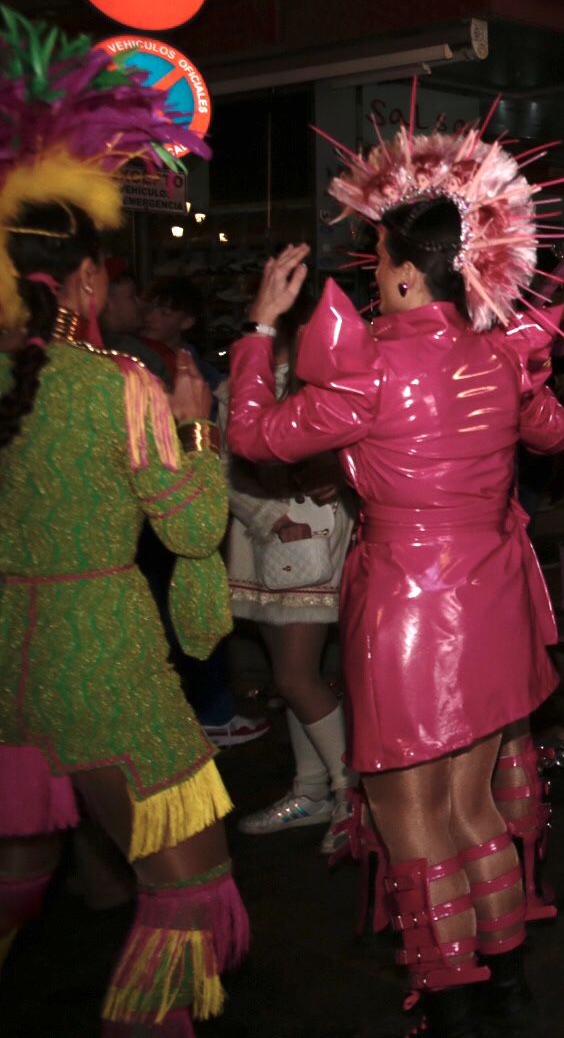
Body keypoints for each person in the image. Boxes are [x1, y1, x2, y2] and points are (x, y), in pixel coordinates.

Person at [228, 120, 564, 1032]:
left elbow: (253, 439)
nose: (373, 277)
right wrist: (522, 378)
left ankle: (451, 1007)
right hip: (490, 597)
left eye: (379, 263)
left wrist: (262, 328)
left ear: (411, 273)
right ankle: (510, 987)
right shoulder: (500, 359)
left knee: (411, 819)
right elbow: (554, 437)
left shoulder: (372, 366)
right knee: (471, 810)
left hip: (408, 608)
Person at [0, 9, 247, 1032]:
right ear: (90, 279)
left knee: (19, 863)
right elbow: (191, 529)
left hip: (9, 650)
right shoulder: (119, 385)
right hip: (100, 656)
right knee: (191, 894)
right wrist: (196, 431)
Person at [220, 278, 356, 854]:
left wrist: (338, 479)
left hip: (311, 542)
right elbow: (225, 463)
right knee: (294, 678)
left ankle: (351, 795)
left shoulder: (330, 384)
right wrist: (269, 514)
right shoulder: (245, 384)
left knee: (295, 677)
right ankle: (313, 790)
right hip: (268, 543)